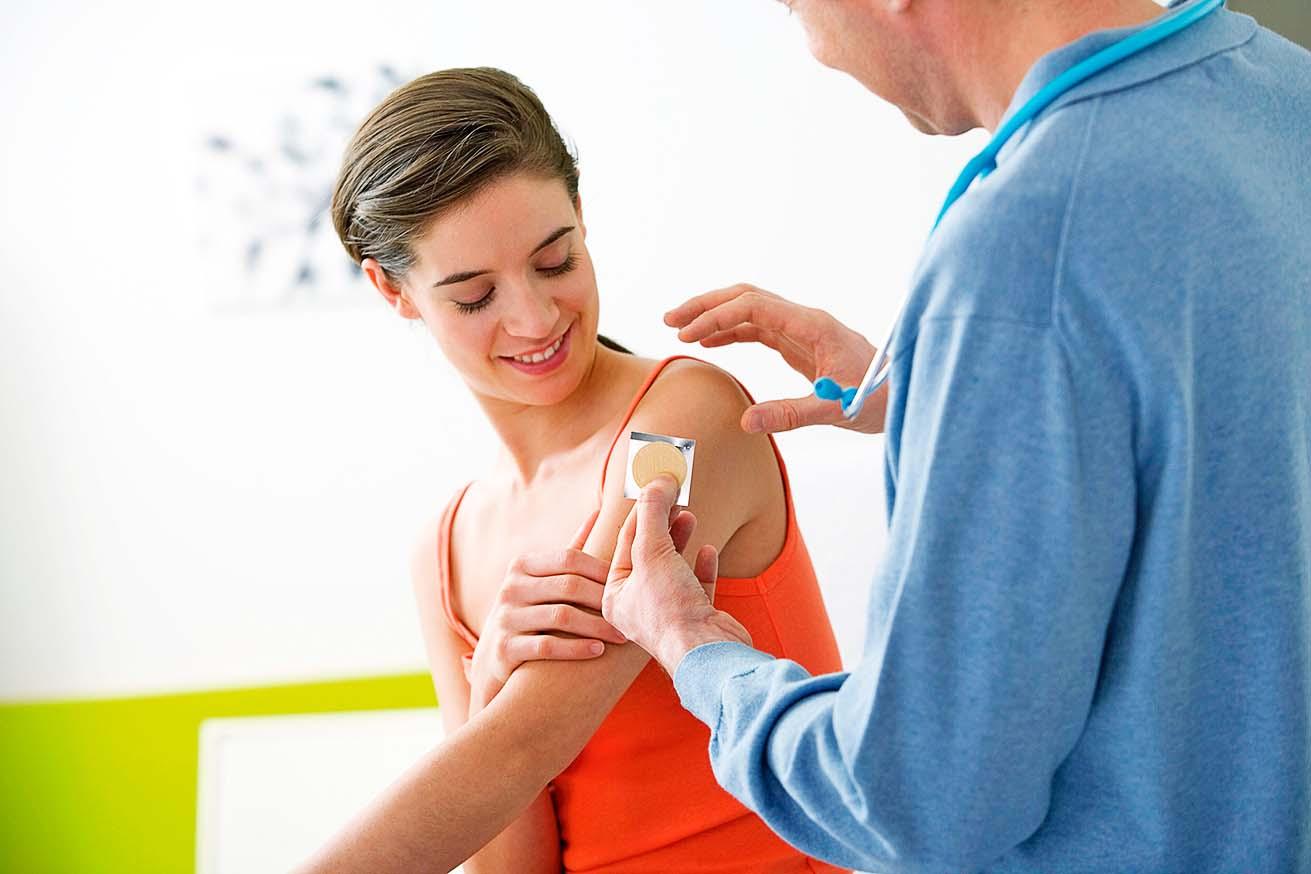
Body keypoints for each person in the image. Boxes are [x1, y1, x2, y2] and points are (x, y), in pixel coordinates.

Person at [600, 0, 1311, 871]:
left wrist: (696, 650)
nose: (817, 52)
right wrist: (950, 395)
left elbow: (918, 803)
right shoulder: (1283, 96)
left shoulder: (1024, 245)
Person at [317, 67, 846, 873]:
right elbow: (511, 852)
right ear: (394, 290)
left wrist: (500, 715)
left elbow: (521, 744)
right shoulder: (446, 548)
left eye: (555, 260)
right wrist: (488, 686)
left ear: (580, 217)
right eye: (474, 295)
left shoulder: (678, 425)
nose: (533, 319)